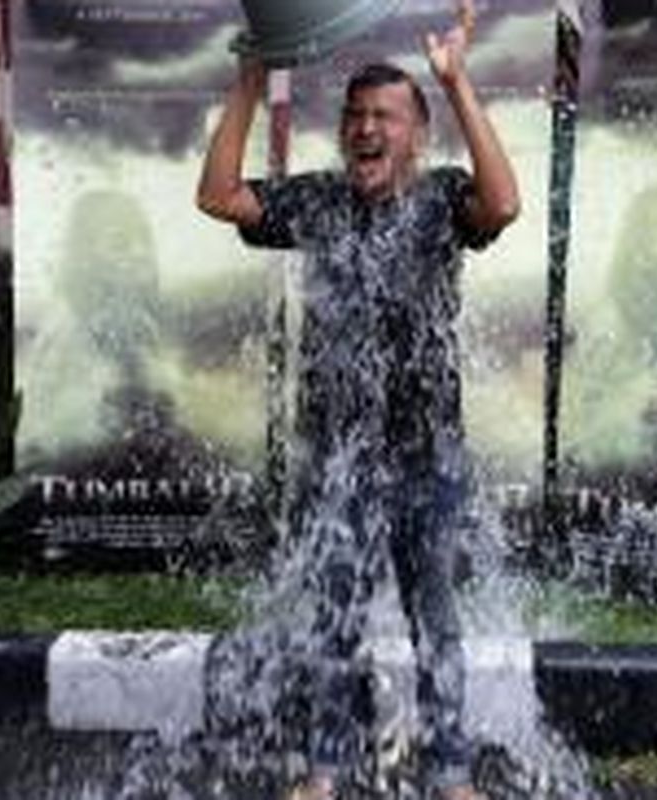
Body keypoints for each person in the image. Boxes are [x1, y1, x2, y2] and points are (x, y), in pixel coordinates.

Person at [196, 1, 519, 797]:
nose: (366, 128)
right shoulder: (318, 201)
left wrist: (455, 80)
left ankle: (449, 770)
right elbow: (220, 195)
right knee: (332, 619)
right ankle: (326, 766)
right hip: (337, 459)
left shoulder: (444, 198)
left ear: (416, 133)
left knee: (434, 622)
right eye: (355, 116)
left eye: (385, 116)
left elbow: (503, 204)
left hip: (428, 457)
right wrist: (248, 78)